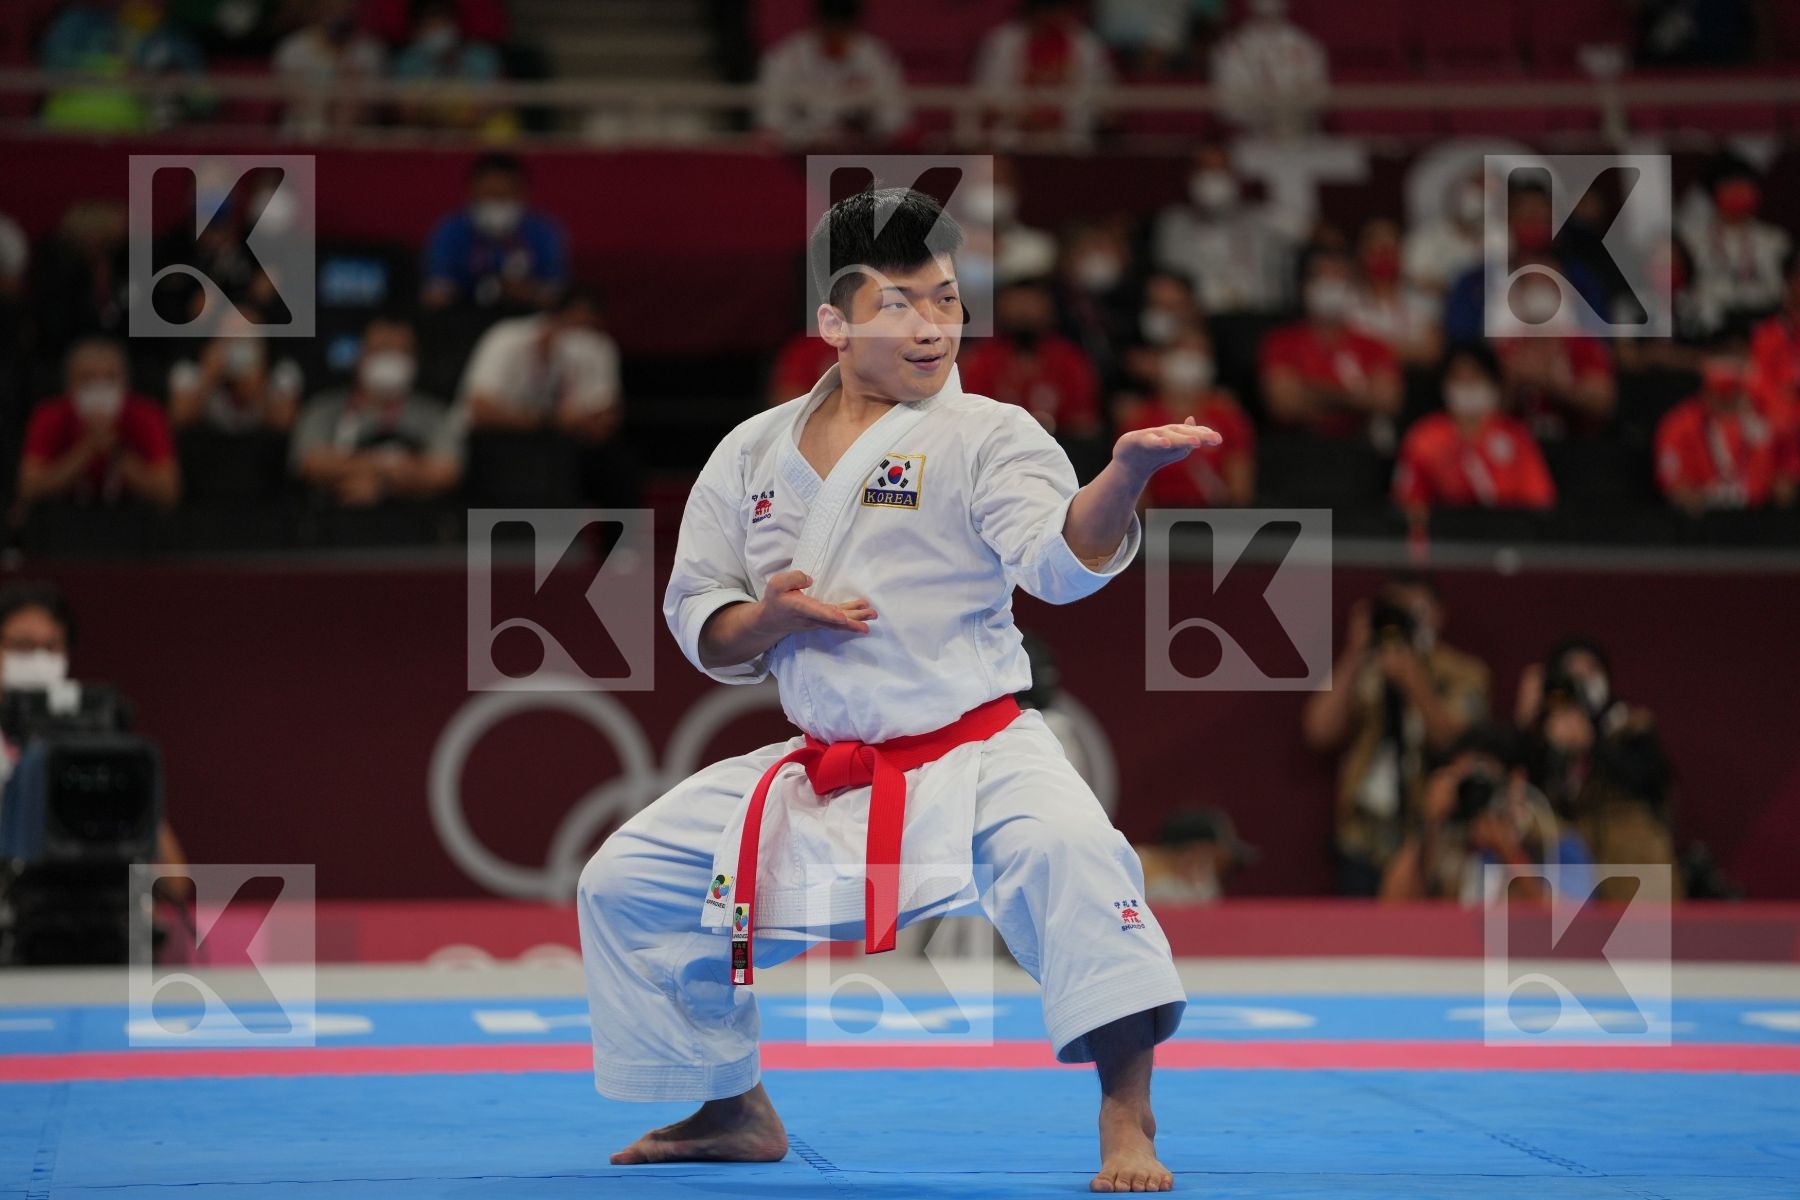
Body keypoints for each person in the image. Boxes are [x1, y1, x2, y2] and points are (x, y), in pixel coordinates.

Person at [578, 187, 1218, 1191]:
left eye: (949, 301)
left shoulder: (986, 435)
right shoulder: (749, 453)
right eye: (901, 304)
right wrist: (774, 619)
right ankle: (730, 1106)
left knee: (1081, 857)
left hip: (979, 751)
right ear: (833, 321)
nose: (933, 327)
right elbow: (702, 619)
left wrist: (1125, 478)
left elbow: (1060, 560)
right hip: (829, 770)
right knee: (627, 883)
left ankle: (1126, 1122)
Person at [1302, 575, 1490, 896]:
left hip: (1430, 839)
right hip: (1363, 838)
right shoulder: (1366, 667)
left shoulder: (1463, 673)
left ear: (1438, 614)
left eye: (1414, 610)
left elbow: (1454, 741)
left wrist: (1412, 680)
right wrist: (1354, 653)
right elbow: (1319, 730)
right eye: (1394, 611)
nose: (1403, 620)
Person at [0, 580, 189, 896]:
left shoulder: (90, 749)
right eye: (22, 645)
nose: (38, 660)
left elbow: (174, 882)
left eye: (52, 647)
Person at [1515, 636, 1678, 902]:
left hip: (1631, 867)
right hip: (1569, 871)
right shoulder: (1545, 737)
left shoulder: (1630, 726)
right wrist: (1526, 723)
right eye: (1571, 671)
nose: (1580, 680)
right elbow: (1527, 794)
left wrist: (1591, 744)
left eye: (1590, 669)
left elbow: (1649, 782)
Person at [1378, 724, 1592, 904]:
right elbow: (1392, 909)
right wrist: (1430, 823)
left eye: (1483, 781)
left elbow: (1572, 930)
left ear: (1515, 780)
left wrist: (1510, 854)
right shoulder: (1447, 841)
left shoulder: (1554, 841)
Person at [290, 317, 464, 505]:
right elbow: (310, 463)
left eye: (399, 352)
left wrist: (382, 487)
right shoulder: (324, 408)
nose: (389, 360)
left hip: (413, 523)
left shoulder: (435, 414)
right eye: (381, 350)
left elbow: (446, 471)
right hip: (333, 520)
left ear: (415, 359)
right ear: (361, 355)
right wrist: (392, 467)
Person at [1392, 345, 1556, 524]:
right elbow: (1408, 502)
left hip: (1507, 536)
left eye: (1474, 378)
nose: (1467, 387)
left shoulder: (1515, 436)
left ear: (1492, 384)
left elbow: (1539, 501)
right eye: (1459, 380)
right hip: (1446, 538)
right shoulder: (1425, 436)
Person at [16, 339, 181, 514]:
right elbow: (28, 488)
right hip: (64, 521)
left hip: (131, 522)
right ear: (69, 384)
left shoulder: (147, 414)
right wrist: (88, 447)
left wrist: (115, 451)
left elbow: (169, 492)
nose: (100, 388)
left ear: (125, 383)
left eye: (110, 378)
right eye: (88, 379)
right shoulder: (49, 415)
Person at [1260, 250, 1403, 444]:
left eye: (1337, 279)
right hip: (1297, 446)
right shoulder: (1280, 342)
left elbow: (1388, 401)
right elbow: (1284, 404)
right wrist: (1357, 396)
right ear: (1304, 286)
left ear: (1352, 288)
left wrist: (1310, 390)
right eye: (1322, 278)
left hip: (1357, 446)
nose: (1330, 287)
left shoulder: (1374, 346)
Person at [1117, 326, 1255, 507]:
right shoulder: (1140, 418)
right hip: (1156, 523)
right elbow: (1133, 492)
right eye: (1183, 352)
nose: (1191, 361)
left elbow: (1239, 490)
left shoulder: (1228, 416)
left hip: (1213, 521)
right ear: (1165, 360)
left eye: (1199, 354)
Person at [1151, 144, 1293, 316]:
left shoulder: (1264, 219)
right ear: (1192, 177)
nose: (1214, 177)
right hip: (1200, 322)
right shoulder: (1172, 224)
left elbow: (1318, 234)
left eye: (1220, 169)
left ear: (1234, 176)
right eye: (1206, 168)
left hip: (1255, 318)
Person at [957, 280, 1103, 440]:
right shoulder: (981, 358)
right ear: (1001, 308)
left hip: (1061, 446)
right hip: (995, 445)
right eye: (1017, 304)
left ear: (1048, 310)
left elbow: (1083, 421)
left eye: (1031, 304)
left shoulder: (1069, 358)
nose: (1024, 312)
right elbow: (972, 415)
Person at [422, 153, 569, 311]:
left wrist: (528, 291)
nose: (497, 203)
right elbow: (435, 293)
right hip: (464, 316)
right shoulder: (450, 232)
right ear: (471, 193)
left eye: (504, 196)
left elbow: (557, 293)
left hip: (527, 318)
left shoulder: (543, 232)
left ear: (523, 194)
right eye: (489, 195)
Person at [1654, 354, 1797, 514]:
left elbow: (1788, 461)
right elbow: (1673, 479)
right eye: (1725, 394)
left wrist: (1785, 481)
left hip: (1761, 516)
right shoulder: (1680, 424)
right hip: (1705, 516)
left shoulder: (1765, 418)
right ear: (1708, 394)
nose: (1733, 400)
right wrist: (1686, 495)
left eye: (1738, 392)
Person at [754, 0, 910, 147]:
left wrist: (866, 126)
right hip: (800, 155)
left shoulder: (875, 56)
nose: (835, 37)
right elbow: (771, 120)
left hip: (861, 154)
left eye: (842, 29)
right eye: (830, 28)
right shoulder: (785, 57)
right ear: (817, 22)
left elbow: (896, 119)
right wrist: (811, 135)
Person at [970, 0, 1116, 148]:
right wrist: (1027, 118)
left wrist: (1062, 119)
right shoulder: (1002, 42)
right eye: (1048, 11)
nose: (1053, 18)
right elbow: (987, 98)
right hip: (1014, 140)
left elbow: (1103, 100)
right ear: (1034, 12)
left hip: (1069, 142)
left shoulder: (1086, 44)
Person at [1681, 160, 1794, 340]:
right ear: (1714, 193)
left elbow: (1787, 291)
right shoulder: (1691, 239)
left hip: (1765, 321)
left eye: (1746, 187)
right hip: (1711, 327)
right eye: (1731, 187)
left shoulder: (1775, 239)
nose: (1739, 194)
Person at [1209, 0, 1328, 138]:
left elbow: (1317, 95)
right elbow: (1227, 103)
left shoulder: (1307, 45)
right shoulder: (1229, 48)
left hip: (1300, 133)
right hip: (1248, 134)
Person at [391, 0, 510, 134]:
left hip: (474, 132)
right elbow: (405, 111)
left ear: (454, 25)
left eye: (441, 25)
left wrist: (463, 124)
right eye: (430, 27)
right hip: (425, 133)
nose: (436, 32)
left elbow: (495, 101)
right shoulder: (408, 61)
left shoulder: (482, 57)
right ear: (418, 30)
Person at [272, 0, 387, 137]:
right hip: (302, 137)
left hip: (355, 139)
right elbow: (300, 103)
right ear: (319, 10)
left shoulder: (370, 51)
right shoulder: (293, 49)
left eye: (344, 8)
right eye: (331, 9)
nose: (338, 14)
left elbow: (367, 106)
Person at [167, 317, 303, 432]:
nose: (238, 347)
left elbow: (285, 423)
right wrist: (209, 377)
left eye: (247, 337)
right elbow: (179, 418)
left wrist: (259, 384)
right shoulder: (191, 371)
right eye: (231, 337)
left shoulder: (280, 372)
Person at [1347, 218, 1442, 368]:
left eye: (1389, 251)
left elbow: (1431, 353)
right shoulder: (1347, 301)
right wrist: (1408, 349)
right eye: (1376, 251)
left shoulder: (1422, 297)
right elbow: (1352, 352)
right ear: (1362, 254)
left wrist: (1379, 349)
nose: (1384, 259)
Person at [1136, 805, 1259, 905]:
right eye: (1212, 856)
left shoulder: (1202, 882)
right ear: (1194, 852)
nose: (1219, 866)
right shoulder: (1134, 865)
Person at [1403, 167, 1486, 296]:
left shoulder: (1494, 238)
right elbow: (1414, 277)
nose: (1478, 197)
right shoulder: (1427, 234)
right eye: (1473, 188)